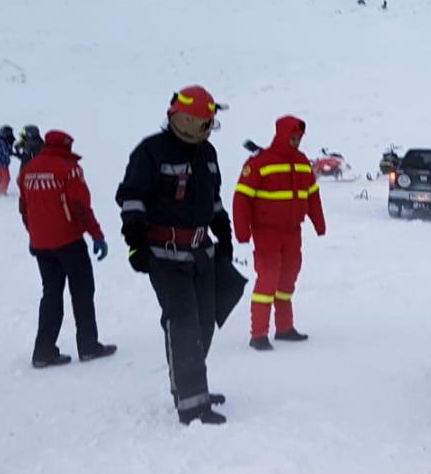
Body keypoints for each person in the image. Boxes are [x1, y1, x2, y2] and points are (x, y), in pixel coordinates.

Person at [116, 86, 232, 426]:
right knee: (182, 323)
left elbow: (213, 200)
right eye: (207, 120)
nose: (211, 126)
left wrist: (222, 232)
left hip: (201, 252)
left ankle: (190, 383)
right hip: (165, 256)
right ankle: (192, 402)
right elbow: (131, 197)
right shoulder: (151, 151)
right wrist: (135, 240)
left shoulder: (207, 154)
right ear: (189, 120)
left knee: (206, 322)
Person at [19, 130, 115, 368]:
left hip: (41, 244)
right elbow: (81, 206)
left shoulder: (28, 170)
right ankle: (88, 345)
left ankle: (43, 351)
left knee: (51, 293)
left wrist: (33, 235)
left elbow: (24, 207)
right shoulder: (69, 169)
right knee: (82, 291)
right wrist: (97, 235)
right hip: (69, 241)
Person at [234, 115, 326, 351]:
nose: (296, 140)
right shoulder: (260, 162)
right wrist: (242, 233)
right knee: (267, 280)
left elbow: (313, 194)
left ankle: (285, 328)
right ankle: (258, 334)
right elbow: (241, 198)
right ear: (282, 134)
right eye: (293, 136)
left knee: (288, 279)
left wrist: (319, 223)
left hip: (292, 231)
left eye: (299, 137)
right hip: (267, 232)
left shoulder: (303, 162)